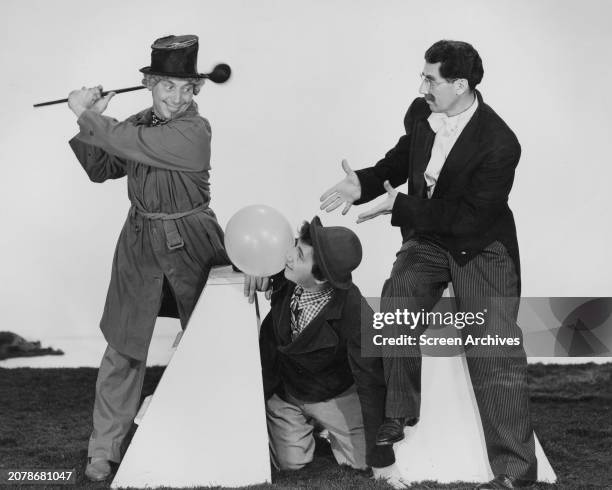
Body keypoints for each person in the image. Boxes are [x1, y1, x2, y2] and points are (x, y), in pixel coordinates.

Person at [320, 40, 537, 489]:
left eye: (430, 79)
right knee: (398, 297)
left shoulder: (500, 144)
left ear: (461, 85)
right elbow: (403, 158)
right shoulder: (421, 112)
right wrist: (360, 182)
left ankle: (515, 474)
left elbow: (468, 217)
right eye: (423, 76)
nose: (422, 86)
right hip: (431, 240)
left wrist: (398, 207)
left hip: (481, 245)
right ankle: (400, 412)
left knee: (494, 349)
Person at [67, 35, 229, 481]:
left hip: (192, 242)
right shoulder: (138, 124)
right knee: (123, 348)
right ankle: (104, 450)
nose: (177, 98)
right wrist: (94, 120)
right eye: (167, 87)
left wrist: (86, 115)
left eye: (186, 88)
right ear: (150, 84)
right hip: (139, 243)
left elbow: (127, 141)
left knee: (210, 343)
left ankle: (223, 434)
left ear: (196, 90)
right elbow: (102, 169)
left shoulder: (196, 131)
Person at [244, 217, 405, 488]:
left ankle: (332, 432)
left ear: (320, 276)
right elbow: (247, 251)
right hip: (287, 390)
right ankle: (299, 427)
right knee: (291, 464)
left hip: (333, 394)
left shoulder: (356, 314)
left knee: (362, 462)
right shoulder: (284, 273)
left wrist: (383, 461)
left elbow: (371, 383)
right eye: (296, 246)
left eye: (299, 255)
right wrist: (251, 268)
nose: (288, 256)